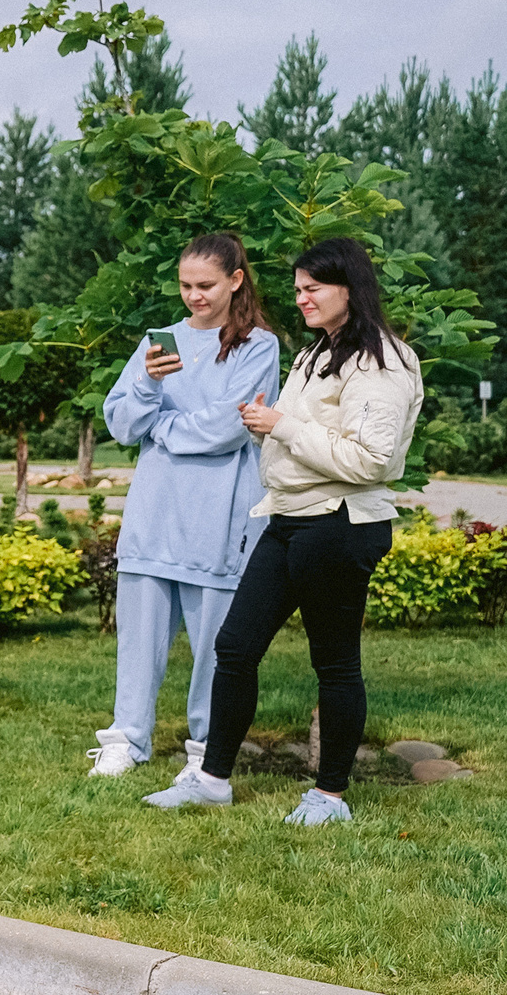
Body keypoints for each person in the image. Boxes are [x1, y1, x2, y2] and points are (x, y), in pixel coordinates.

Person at [147, 238, 423, 825]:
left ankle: (329, 797)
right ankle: (213, 779)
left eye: (313, 289)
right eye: (297, 289)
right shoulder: (315, 352)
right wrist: (263, 428)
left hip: (341, 525)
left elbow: (370, 460)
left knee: (335, 663)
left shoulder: (382, 362)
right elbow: (296, 435)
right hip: (289, 519)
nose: (301, 299)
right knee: (236, 646)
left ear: (350, 287)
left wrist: (284, 425)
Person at [89, 235, 281, 781]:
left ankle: (206, 745)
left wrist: (163, 428)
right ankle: (126, 738)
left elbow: (228, 427)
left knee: (215, 642)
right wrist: (149, 385)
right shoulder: (162, 341)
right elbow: (122, 421)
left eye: (205, 286)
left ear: (235, 281)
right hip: (155, 509)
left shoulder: (258, 346)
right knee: (139, 636)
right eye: (185, 286)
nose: (193, 296)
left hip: (218, 511)